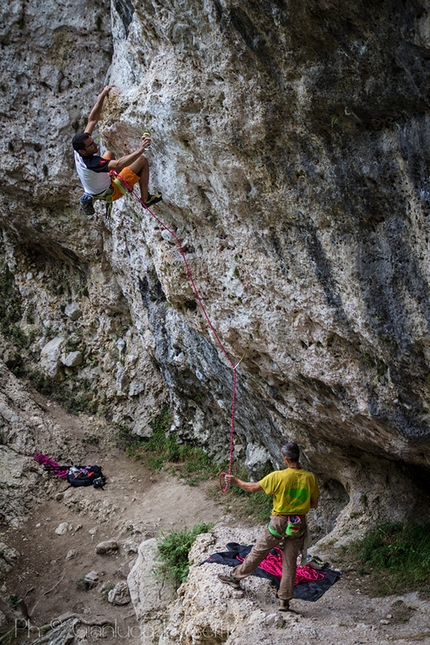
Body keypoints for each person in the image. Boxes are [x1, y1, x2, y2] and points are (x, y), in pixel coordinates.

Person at [218, 442, 319, 612]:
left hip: (279, 521)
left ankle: (235, 577)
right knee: (290, 561)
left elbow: (252, 488)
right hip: (298, 523)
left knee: (259, 551)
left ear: (285, 459)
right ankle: (284, 601)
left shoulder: (278, 476)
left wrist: (236, 481)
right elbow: (314, 504)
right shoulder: (310, 478)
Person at [72, 85, 162, 209]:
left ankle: (127, 176)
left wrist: (102, 95)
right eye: (91, 145)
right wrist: (141, 149)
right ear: (82, 151)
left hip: (97, 186)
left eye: (93, 141)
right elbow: (119, 164)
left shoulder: (79, 149)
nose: (95, 144)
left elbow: (92, 120)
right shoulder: (91, 162)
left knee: (109, 152)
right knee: (142, 161)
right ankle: (145, 199)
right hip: (112, 191)